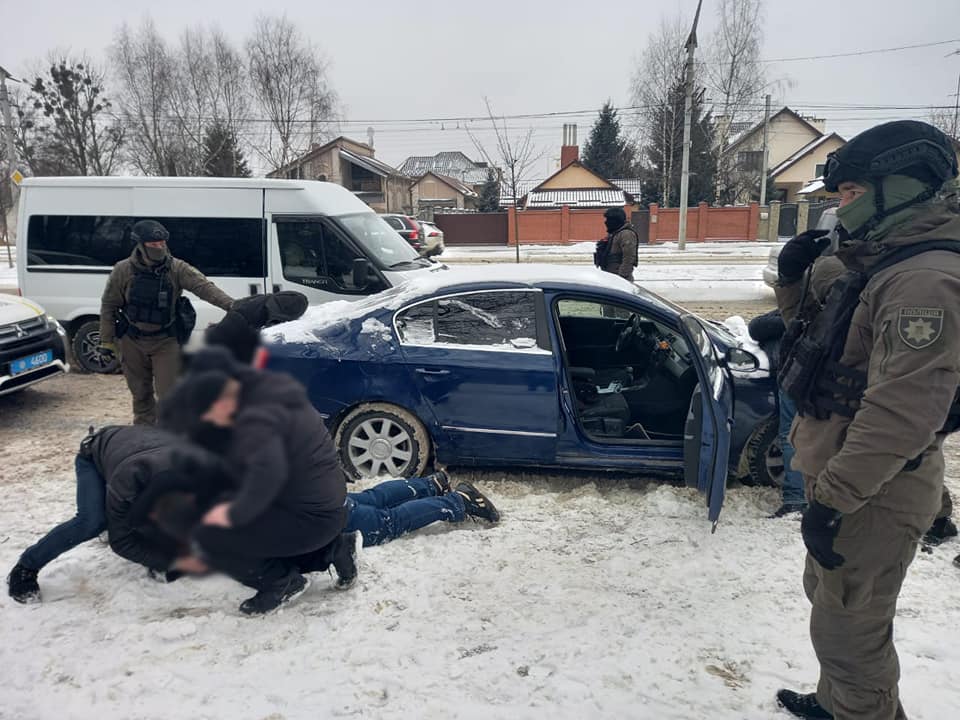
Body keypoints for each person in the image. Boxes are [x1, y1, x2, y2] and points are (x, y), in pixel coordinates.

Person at [773, 120, 960, 720]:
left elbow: (900, 414)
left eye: (850, 194)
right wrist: (791, 278)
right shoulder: (883, 260)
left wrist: (831, 500)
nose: (839, 207)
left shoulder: (922, 279)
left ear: (898, 189)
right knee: (833, 606)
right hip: (853, 481)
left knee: (852, 633)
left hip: (874, 490)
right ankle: (838, 704)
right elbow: (823, 346)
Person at [160, 356, 356, 616]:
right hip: (327, 508)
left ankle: (281, 584)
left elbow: (262, 482)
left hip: (311, 518)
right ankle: (334, 550)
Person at [6, 426, 218, 604]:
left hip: (142, 448)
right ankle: (26, 566)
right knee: (92, 521)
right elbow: (121, 542)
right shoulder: (128, 483)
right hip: (95, 454)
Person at [99, 219, 235, 425]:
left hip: (165, 341)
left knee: (169, 394)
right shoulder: (123, 270)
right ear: (141, 245)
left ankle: (170, 435)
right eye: (154, 244)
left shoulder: (177, 268)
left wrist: (234, 306)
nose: (159, 247)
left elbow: (206, 288)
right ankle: (144, 433)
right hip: (131, 340)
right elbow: (109, 305)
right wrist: (106, 341)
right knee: (140, 393)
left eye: (162, 243)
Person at [747, 309, 807, 517]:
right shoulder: (845, 300)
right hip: (826, 378)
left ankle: (797, 499)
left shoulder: (800, 307)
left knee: (791, 437)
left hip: (798, 377)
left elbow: (757, 327)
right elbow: (757, 327)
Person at [345, 471, 500, 547]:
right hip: (327, 494)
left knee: (387, 523)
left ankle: (459, 501)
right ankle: (431, 485)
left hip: (326, 514)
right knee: (370, 499)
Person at [594, 207, 639, 281]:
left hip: (619, 279)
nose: (606, 222)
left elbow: (629, 258)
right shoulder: (614, 233)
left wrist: (621, 277)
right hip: (610, 276)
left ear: (616, 220)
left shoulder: (626, 234)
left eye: (609, 219)